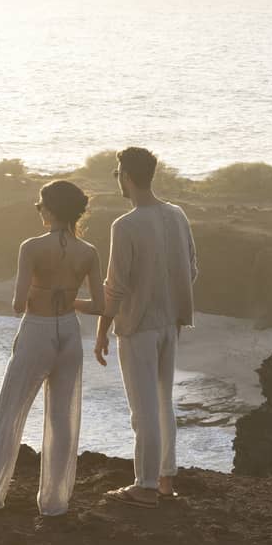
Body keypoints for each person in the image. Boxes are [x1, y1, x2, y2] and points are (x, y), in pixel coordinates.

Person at [0, 180, 103, 516]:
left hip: (38, 330)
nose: (38, 210)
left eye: (40, 205)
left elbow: (19, 304)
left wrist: (40, 293)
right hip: (70, 332)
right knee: (62, 419)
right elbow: (99, 306)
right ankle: (54, 502)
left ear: (50, 209)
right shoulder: (89, 252)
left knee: (9, 412)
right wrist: (69, 299)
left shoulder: (31, 247)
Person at [94, 147, 198, 508]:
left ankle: (145, 486)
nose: (117, 179)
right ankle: (165, 479)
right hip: (171, 322)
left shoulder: (125, 225)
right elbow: (192, 267)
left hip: (138, 325)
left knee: (143, 409)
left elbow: (116, 286)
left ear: (127, 176)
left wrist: (101, 330)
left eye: (117, 173)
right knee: (162, 402)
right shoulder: (177, 214)